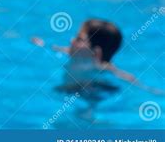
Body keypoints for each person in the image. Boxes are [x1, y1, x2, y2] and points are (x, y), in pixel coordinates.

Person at [31, 19, 163, 96]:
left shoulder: (104, 70)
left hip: (95, 90)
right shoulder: (73, 52)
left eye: (79, 39)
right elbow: (55, 48)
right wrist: (43, 45)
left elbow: (131, 80)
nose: (71, 41)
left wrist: (154, 91)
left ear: (95, 52)